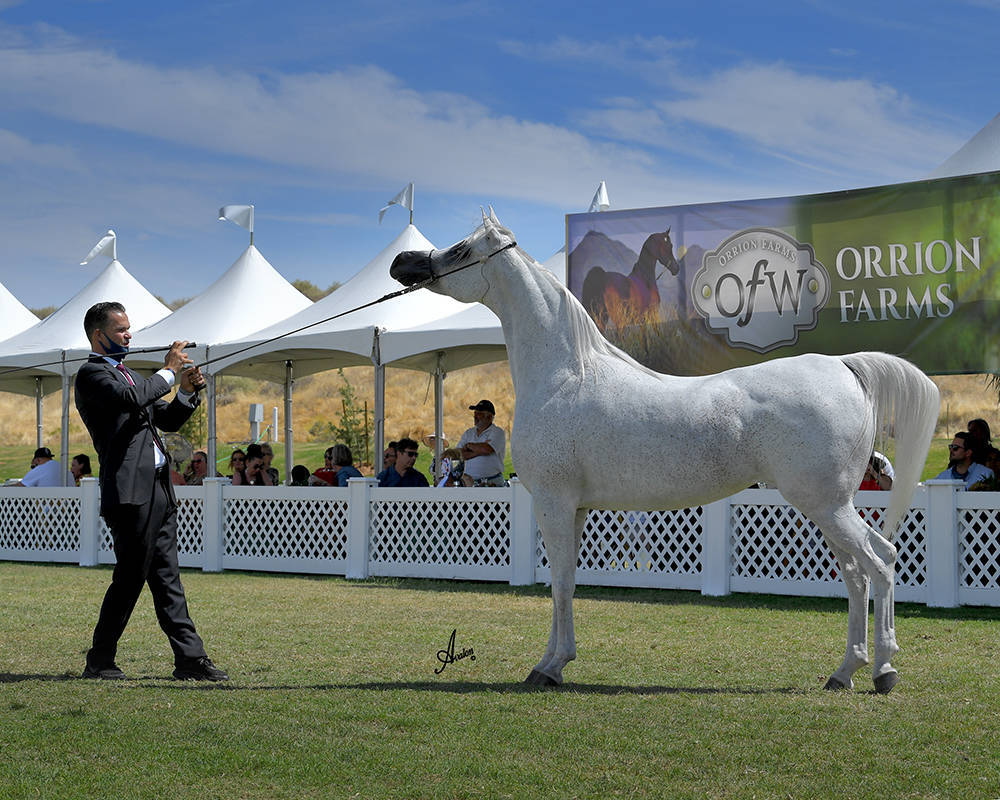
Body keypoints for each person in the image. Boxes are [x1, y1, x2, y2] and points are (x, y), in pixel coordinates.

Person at [74, 301, 227, 682]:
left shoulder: (128, 376)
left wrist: (186, 392)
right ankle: (99, 659)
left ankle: (190, 659)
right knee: (130, 579)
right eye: (121, 329)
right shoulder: (92, 375)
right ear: (99, 335)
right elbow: (131, 400)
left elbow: (167, 419)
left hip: (158, 490)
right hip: (130, 494)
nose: (129, 335)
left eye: (129, 328)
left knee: (167, 578)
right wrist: (169, 371)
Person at [458, 399, 507, 486]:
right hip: (470, 483)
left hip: (492, 482)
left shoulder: (497, 432)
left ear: (489, 417)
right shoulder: (468, 433)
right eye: (475, 413)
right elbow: (459, 454)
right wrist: (480, 450)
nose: (475, 416)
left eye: (479, 414)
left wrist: (468, 446)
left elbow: (487, 449)